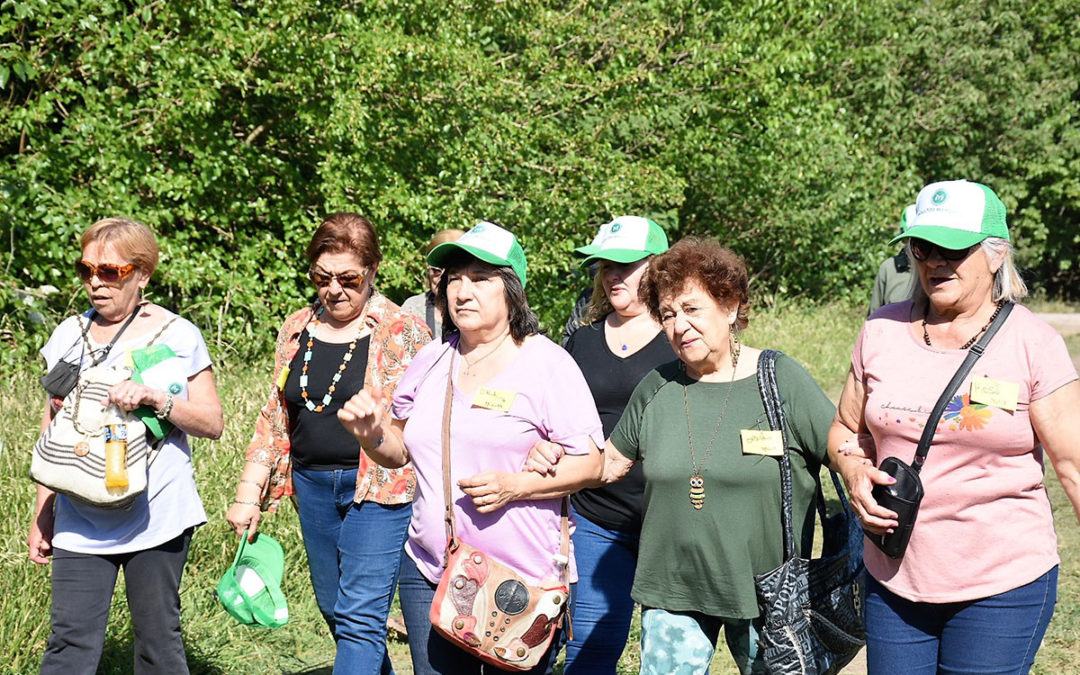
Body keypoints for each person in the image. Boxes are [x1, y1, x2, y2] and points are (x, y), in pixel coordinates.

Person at [529, 237, 836, 674]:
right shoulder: (658, 385)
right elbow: (608, 463)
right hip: (672, 588)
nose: (680, 325)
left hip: (768, 591)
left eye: (692, 309)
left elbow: (842, 449)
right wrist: (547, 460)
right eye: (669, 314)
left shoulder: (778, 378)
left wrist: (864, 476)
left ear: (729, 307)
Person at [828, 180, 1080, 674]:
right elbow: (844, 430)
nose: (936, 262)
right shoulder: (880, 331)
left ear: (996, 253)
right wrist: (854, 470)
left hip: (1002, 585)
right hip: (893, 580)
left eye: (954, 249)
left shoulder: (1034, 344)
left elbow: (1073, 466)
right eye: (923, 248)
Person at [338, 221, 605, 675]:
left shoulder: (547, 364)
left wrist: (514, 486)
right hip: (432, 567)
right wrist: (370, 434)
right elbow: (398, 451)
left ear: (512, 291)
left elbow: (592, 464)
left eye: (480, 279)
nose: (462, 292)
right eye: (455, 279)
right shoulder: (431, 359)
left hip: (520, 579)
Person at [226, 213, 430, 675]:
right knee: (335, 609)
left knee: (360, 616)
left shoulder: (404, 331)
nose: (334, 289)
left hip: (379, 489)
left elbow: (423, 423)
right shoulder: (297, 327)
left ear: (373, 271)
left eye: (348, 278)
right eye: (322, 278)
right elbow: (275, 417)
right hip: (312, 486)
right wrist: (248, 495)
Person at [30, 217, 224, 674]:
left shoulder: (178, 334)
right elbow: (53, 425)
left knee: (158, 645)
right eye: (86, 270)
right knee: (69, 646)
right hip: (79, 516)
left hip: (157, 514)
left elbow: (212, 423)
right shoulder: (68, 334)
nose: (95, 282)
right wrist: (43, 511)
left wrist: (158, 399)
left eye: (110, 271)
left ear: (143, 274)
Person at [559, 216, 673, 672]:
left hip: (671, 523)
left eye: (626, 265)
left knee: (670, 659)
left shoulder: (682, 338)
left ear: (658, 267)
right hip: (595, 518)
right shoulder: (582, 341)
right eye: (606, 265)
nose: (612, 275)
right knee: (588, 651)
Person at [401, 228, 465, 336]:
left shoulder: (478, 311)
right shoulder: (413, 310)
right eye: (436, 271)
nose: (443, 280)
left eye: (452, 275)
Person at [868, 204, 917, 314]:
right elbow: (874, 316)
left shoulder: (942, 270)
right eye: (914, 240)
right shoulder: (889, 269)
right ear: (903, 239)